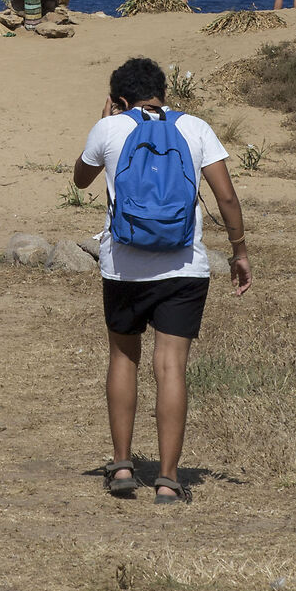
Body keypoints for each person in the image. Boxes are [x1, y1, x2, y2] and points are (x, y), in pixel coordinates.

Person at [72, 57, 249, 505]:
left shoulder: (109, 128)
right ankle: (168, 480)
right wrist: (239, 250)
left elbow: (80, 179)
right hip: (184, 266)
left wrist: (105, 120)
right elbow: (226, 197)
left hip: (123, 266)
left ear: (120, 98)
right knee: (171, 367)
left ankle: (122, 465)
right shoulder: (196, 127)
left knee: (123, 357)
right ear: (163, 94)